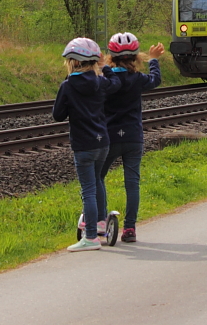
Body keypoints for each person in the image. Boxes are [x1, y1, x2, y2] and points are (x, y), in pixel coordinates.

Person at [51, 36, 121, 252]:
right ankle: (100, 223)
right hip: (103, 142)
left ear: (73, 61)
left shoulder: (68, 86)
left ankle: (90, 236)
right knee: (98, 182)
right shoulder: (101, 82)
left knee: (88, 189)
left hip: (83, 144)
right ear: (93, 61)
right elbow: (116, 84)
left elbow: (58, 115)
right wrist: (105, 68)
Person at [96, 32, 163, 243]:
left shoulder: (105, 79)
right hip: (134, 137)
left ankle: (100, 222)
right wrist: (154, 60)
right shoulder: (137, 79)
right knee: (132, 183)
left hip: (109, 138)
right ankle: (130, 228)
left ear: (110, 57)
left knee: (98, 178)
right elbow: (155, 80)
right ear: (135, 57)